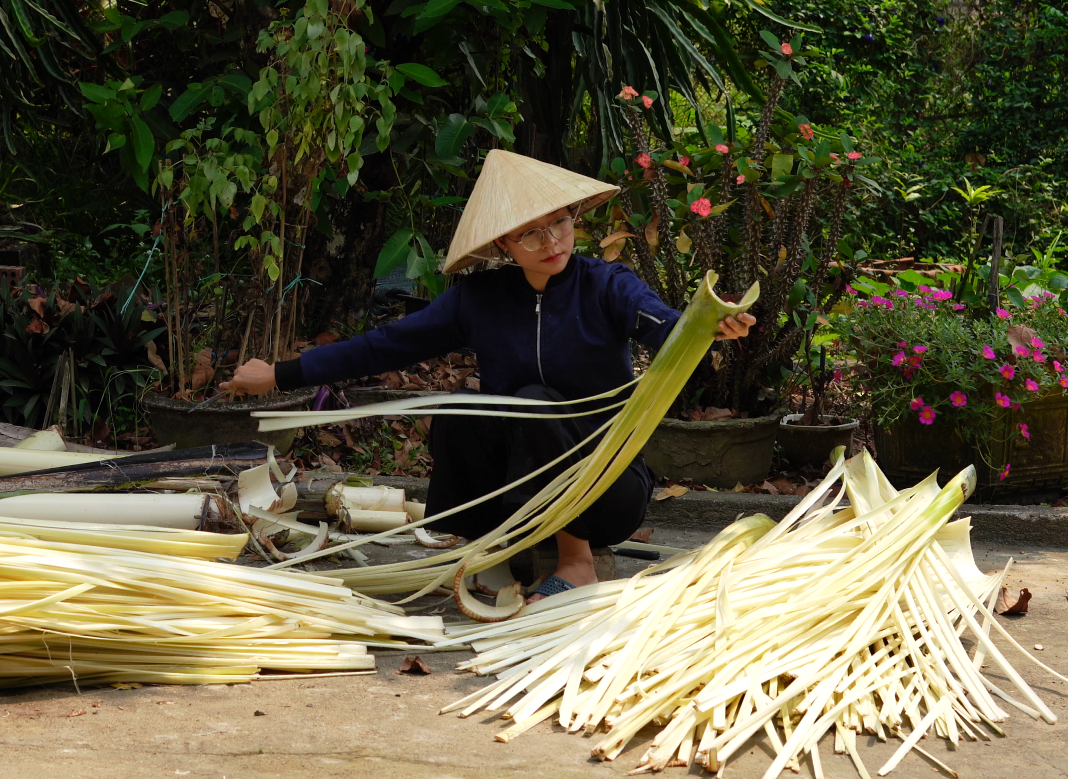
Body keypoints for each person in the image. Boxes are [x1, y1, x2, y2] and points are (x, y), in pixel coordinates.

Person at [221, 149, 753, 600]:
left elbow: (665, 327)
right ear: (503, 244)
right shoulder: (480, 299)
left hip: (606, 489)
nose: (552, 242)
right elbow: (386, 346)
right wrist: (281, 374)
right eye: (531, 234)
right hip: (514, 490)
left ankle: (577, 560)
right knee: (461, 408)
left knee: (535, 400)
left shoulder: (607, 285)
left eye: (561, 223)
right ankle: (488, 549)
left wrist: (709, 325)